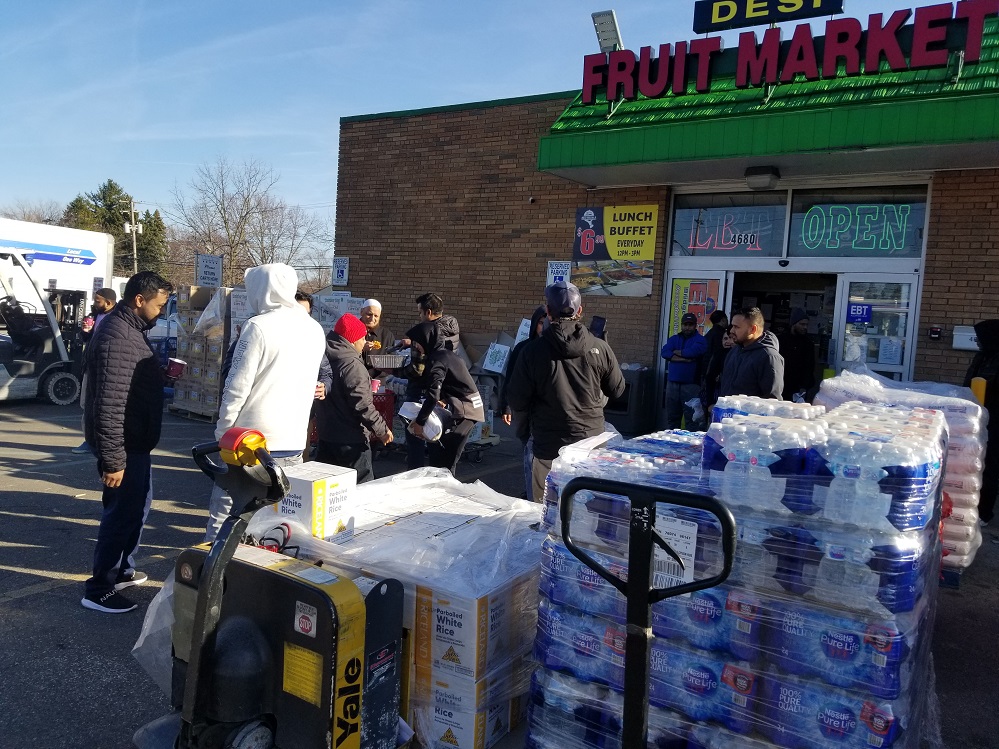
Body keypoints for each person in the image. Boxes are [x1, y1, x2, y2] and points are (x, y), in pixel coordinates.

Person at [205, 263, 327, 540]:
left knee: (227, 518)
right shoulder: (314, 329)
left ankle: (215, 565)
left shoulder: (258, 326)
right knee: (275, 521)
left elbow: (236, 387)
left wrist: (223, 432)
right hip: (293, 440)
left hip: (249, 441)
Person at [80, 271, 173, 613]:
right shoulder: (118, 336)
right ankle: (99, 589)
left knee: (137, 508)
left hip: (135, 442)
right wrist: (114, 461)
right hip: (124, 445)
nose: (161, 312)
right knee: (120, 515)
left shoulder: (131, 330)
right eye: (159, 305)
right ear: (139, 300)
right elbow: (109, 404)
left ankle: (122, 571)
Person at [506, 281, 626, 502]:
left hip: (548, 445)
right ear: (579, 311)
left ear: (548, 311)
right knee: (588, 509)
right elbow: (617, 390)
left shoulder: (532, 352)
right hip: (591, 444)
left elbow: (517, 400)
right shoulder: (600, 347)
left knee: (544, 510)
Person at [315, 313, 394, 482]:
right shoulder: (351, 365)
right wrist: (382, 430)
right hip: (351, 439)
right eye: (362, 338)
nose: (364, 342)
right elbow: (362, 404)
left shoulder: (323, 356)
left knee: (329, 488)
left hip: (326, 434)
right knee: (361, 487)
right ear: (351, 340)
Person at [404, 320, 484, 475]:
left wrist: (420, 421)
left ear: (426, 340)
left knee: (446, 459)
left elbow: (433, 394)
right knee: (437, 453)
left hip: (466, 410)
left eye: (417, 342)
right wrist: (445, 399)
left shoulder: (437, 360)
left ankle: (445, 486)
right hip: (463, 406)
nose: (415, 347)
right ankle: (438, 484)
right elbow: (457, 383)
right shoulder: (445, 354)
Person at [402, 292, 461, 468]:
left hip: (422, 391)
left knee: (416, 438)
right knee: (436, 435)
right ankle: (438, 475)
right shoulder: (451, 330)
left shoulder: (426, 333)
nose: (420, 317)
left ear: (428, 312)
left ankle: (414, 475)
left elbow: (417, 369)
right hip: (444, 391)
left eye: (420, 313)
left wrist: (396, 371)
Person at [499, 305, 548, 500]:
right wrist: (506, 406)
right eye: (541, 323)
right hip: (525, 411)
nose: (543, 327)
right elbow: (510, 379)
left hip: (547, 413)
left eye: (547, 323)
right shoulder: (523, 348)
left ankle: (538, 493)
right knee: (529, 454)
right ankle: (531, 493)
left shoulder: (555, 348)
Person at [72, 288, 120, 454]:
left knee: (105, 406)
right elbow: (88, 339)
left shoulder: (117, 318)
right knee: (86, 404)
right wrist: (85, 332)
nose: (94, 303)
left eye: (97, 301)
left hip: (107, 368)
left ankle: (103, 442)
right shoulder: (94, 315)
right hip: (90, 365)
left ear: (109, 302)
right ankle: (89, 440)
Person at [964, 319, 999, 527]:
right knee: (974, 461)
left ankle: (984, 512)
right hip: (976, 417)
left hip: (995, 420)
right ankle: (971, 504)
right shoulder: (982, 357)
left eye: (980, 337)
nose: (977, 341)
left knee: (990, 465)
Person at [718, 307, 784, 400]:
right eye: (732, 326)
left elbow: (772, 399)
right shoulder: (735, 350)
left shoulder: (769, 357)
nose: (731, 330)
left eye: (737, 327)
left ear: (753, 329)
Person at [661, 312, 708, 430]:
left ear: (695, 326)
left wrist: (675, 353)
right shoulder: (674, 339)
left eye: (690, 325)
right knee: (672, 419)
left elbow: (693, 352)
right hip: (672, 385)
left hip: (691, 385)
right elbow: (665, 352)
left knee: (693, 420)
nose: (687, 327)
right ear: (681, 325)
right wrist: (684, 359)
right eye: (685, 324)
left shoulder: (700, 340)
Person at [779, 307, 817, 401]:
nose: (805, 327)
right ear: (793, 324)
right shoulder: (781, 340)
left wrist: (804, 386)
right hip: (782, 384)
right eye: (802, 324)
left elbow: (809, 367)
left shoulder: (807, 343)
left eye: (806, 324)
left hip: (799, 387)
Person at [359, 298, 395, 376]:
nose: (372, 319)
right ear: (361, 312)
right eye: (369, 314)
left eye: (376, 316)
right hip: (356, 377)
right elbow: (344, 354)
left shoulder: (387, 335)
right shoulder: (352, 331)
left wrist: (379, 369)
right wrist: (360, 349)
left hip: (379, 379)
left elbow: (391, 360)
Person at [702, 325, 734, 411]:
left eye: (731, 338)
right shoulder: (718, 354)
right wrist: (710, 403)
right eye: (725, 339)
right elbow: (710, 378)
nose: (728, 341)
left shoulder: (739, 354)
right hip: (717, 398)